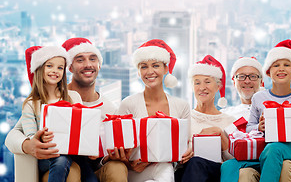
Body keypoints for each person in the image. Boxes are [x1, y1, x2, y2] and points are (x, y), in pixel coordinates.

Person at [6, 37, 127, 182]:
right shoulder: (42, 102)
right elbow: (14, 134)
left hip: (89, 166)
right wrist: (28, 145)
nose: (88, 65)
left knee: (117, 167)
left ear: (99, 64)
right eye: (80, 60)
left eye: (93, 59)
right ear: (70, 67)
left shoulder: (110, 109)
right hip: (57, 165)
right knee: (72, 170)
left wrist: (105, 157)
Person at [220, 39, 291, 182]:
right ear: (268, 72)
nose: (281, 69)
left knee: (274, 148)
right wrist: (258, 127)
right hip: (263, 149)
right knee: (230, 165)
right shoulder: (258, 98)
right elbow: (249, 128)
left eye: (286, 65)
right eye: (276, 65)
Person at [117, 39, 191, 182]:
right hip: (136, 172)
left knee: (165, 168)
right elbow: (119, 147)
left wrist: (189, 152)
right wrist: (130, 165)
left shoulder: (182, 106)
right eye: (144, 67)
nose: (150, 72)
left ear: (165, 69)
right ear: (138, 72)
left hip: (170, 171)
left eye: (155, 65)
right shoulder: (128, 104)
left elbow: (186, 145)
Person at [21, 45, 92, 182]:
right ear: (40, 68)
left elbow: (83, 127)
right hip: (48, 155)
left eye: (60, 68)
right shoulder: (31, 103)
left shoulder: (73, 97)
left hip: (74, 152)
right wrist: (41, 137)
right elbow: (31, 138)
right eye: (49, 66)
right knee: (61, 160)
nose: (55, 71)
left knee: (89, 176)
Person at [223, 56, 291, 182]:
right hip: (244, 162)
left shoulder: (279, 105)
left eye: (253, 76)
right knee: (241, 173)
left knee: (284, 166)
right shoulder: (226, 114)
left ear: (261, 81)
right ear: (234, 81)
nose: (247, 81)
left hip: (277, 158)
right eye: (241, 76)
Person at [175, 55, 235, 182]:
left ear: (218, 86)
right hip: (185, 172)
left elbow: (233, 161)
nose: (202, 87)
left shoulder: (229, 121)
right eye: (197, 83)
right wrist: (184, 154)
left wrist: (220, 134)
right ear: (192, 87)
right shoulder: (184, 118)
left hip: (216, 174)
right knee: (194, 163)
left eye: (207, 82)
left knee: (197, 162)